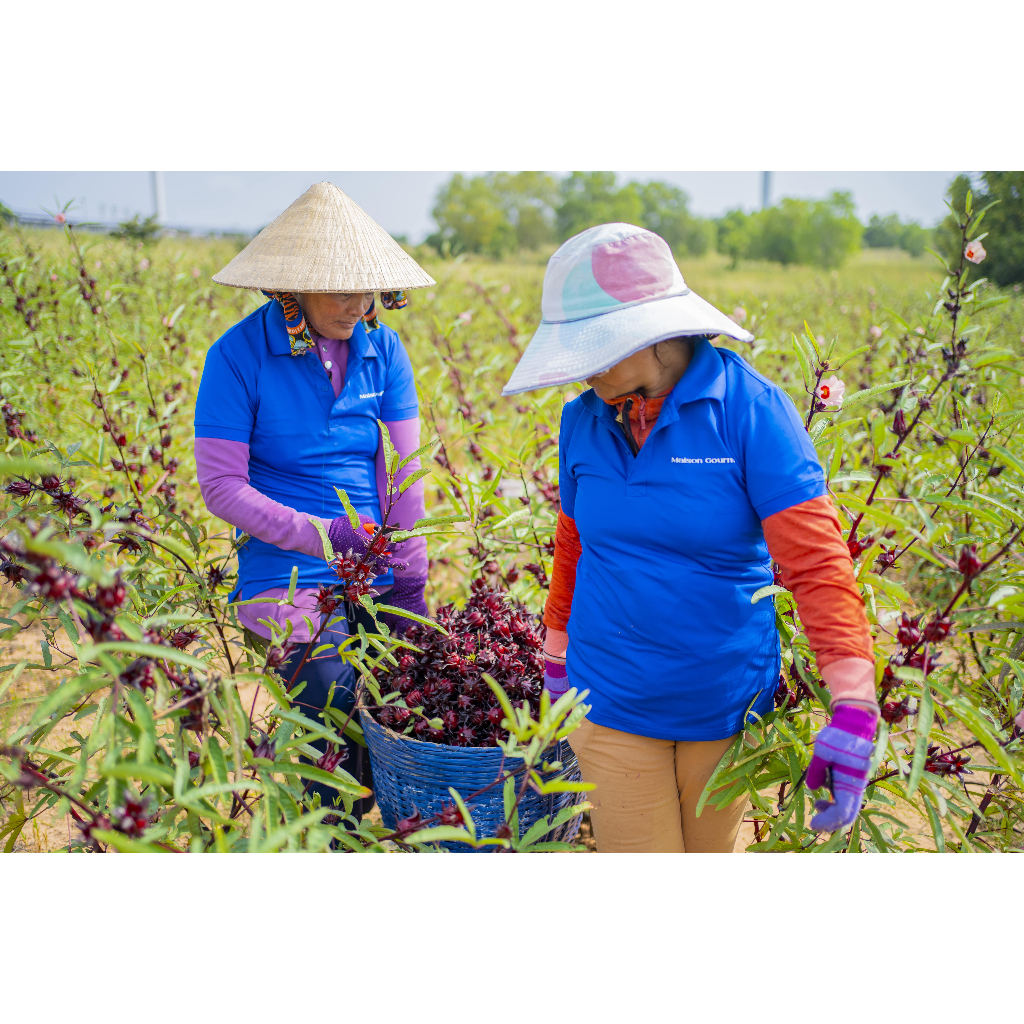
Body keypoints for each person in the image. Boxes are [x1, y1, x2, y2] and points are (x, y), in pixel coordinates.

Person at [502, 223, 878, 853]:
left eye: (596, 347)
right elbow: (574, 544)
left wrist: (854, 705)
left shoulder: (751, 411)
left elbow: (815, 565)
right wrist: (555, 657)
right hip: (608, 699)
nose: (581, 371)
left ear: (654, 335)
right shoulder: (582, 420)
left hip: (723, 707)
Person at [194, 182, 435, 818]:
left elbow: (403, 469)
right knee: (331, 710)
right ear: (291, 286)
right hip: (287, 568)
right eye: (340, 289)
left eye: (368, 290)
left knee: (404, 705)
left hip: (375, 560)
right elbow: (221, 487)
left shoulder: (383, 350)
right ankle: (326, 839)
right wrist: (325, 536)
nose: (359, 305)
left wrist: (410, 571)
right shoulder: (238, 357)